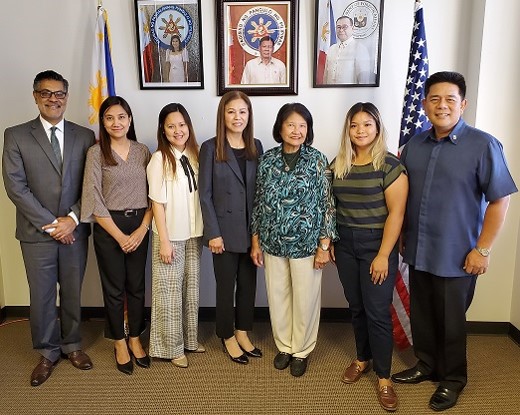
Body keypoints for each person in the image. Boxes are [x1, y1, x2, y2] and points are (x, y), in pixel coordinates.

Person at [391, 72, 517, 411]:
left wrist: (483, 249)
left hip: (459, 255)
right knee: (422, 315)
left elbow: (500, 199)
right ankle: (427, 364)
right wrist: (403, 236)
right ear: (424, 104)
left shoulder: (484, 144)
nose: (442, 106)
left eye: (450, 99)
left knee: (450, 320)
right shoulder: (414, 145)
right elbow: (405, 197)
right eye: (434, 99)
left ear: (463, 104)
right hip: (418, 249)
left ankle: (453, 380)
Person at [2, 70, 95, 386]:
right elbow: (16, 186)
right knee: (41, 296)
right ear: (35, 96)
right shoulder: (15, 135)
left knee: (71, 291)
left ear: (67, 97)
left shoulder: (85, 136)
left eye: (59, 94)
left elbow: (91, 184)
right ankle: (47, 351)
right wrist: (53, 225)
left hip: (75, 229)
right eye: (46, 93)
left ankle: (72, 345)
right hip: (36, 233)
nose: (53, 99)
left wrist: (73, 218)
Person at [331, 102, 408, 411]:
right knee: (357, 307)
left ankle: (385, 377)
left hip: (378, 246)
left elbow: (397, 214)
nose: (360, 130)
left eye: (366, 124)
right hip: (346, 245)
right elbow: (331, 207)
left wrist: (383, 255)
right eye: (354, 125)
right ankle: (362, 358)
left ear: (377, 129)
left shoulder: (390, 165)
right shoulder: (338, 163)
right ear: (347, 130)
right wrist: (334, 241)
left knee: (377, 311)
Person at [251, 103, 337, 377]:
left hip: (307, 244)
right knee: (278, 297)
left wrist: (325, 245)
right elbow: (258, 202)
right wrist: (255, 241)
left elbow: (327, 204)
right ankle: (285, 346)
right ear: (280, 127)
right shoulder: (267, 160)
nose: (297, 131)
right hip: (272, 241)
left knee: (305, 298)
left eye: (302, 126)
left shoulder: (318, 160)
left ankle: (301, 350)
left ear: (308, 130)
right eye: (291, 125)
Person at [81, 96, 152, 375]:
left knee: (136, 286)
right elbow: (93, 198)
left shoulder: (142, 151)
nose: (116, 123)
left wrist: (141, 229)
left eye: (121, 117)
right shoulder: (95, 153)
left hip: (139, 227)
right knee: (114, 289)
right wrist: (120, 236)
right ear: (103, 122)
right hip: (109, 227)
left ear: (130, 119)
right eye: (109, 118)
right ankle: (119, 342)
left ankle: (135, 338)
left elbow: (153, 196)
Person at [199, 91, 264, 365]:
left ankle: (243, 331)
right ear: (222, 115)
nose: (237, 117)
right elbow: (205, 194)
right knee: (226, 287)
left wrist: (258, 235)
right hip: (222, 233)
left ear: (248, 116)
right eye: (231, 111)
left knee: (249, 285)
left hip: (251, 231)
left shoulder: (256, 146)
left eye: (242, 112)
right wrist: (213, 232)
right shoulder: (210, 147)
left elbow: (260, 193)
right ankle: (227, 335)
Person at [146, 103, 204, 368]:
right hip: (170, 235)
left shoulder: (196, 155)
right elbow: (156, 203)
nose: (178, 130)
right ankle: (170, 347)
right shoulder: (159, 159)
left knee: (190, 290)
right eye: (171, 126)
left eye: (182, 125)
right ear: (163, 130)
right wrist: (165, 241)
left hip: (194, 234)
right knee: (168, 294)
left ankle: (189, 339)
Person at [323, 16, 371, 84]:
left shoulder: (360, 49)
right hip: (329, 93)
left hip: (349, 94)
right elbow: (325, 76)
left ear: (352, 28)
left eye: (345, 27)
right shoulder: (331, 49)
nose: (341, 30)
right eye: (338, 27)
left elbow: (364, 81)